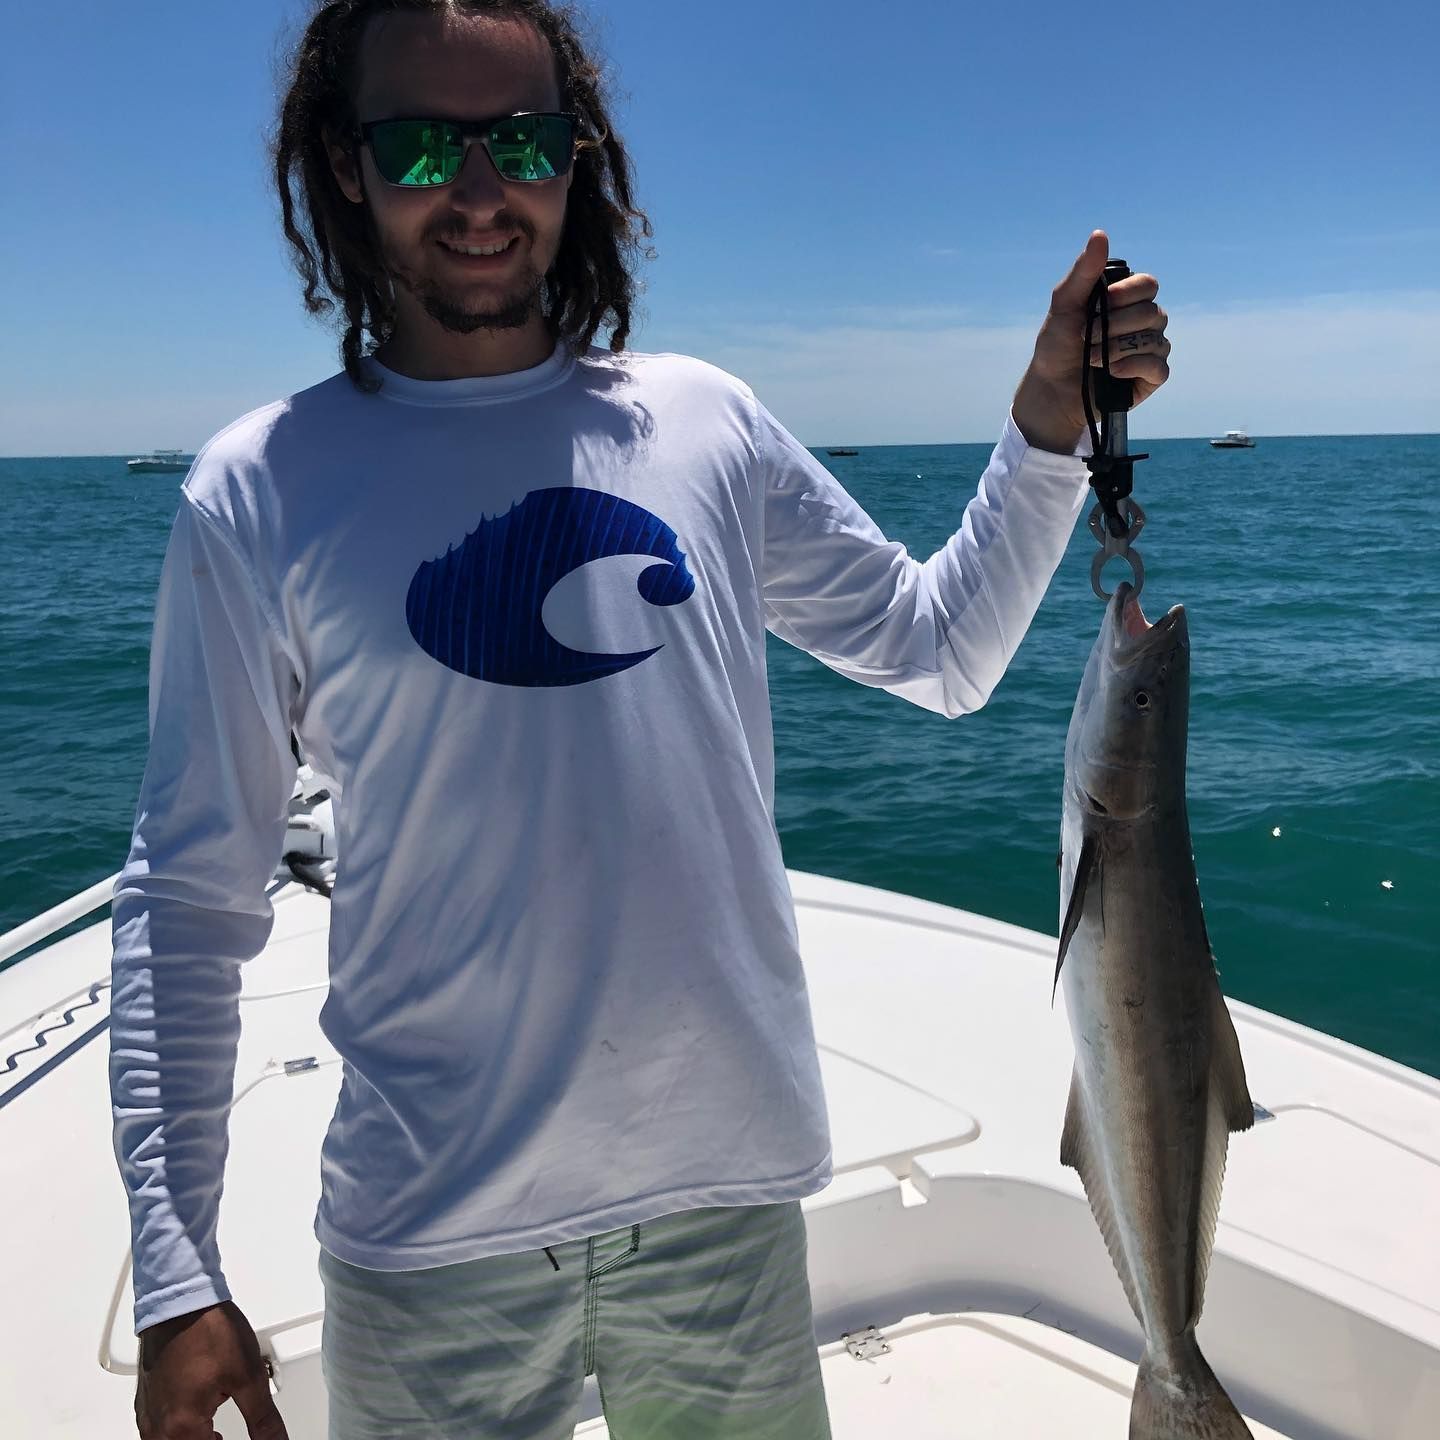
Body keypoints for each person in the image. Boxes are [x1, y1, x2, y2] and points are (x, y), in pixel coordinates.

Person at [109, 2, 1172, 1437]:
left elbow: (939, 649)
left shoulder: (704, 424)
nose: (480, 190)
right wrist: (179, 1273)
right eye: (424, 142)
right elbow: (186, 901)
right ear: (346, 170)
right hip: (430, 1246)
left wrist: (1048, 422)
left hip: (724, 1212)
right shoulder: (259, 489)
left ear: (577, 159)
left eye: (524, 140)